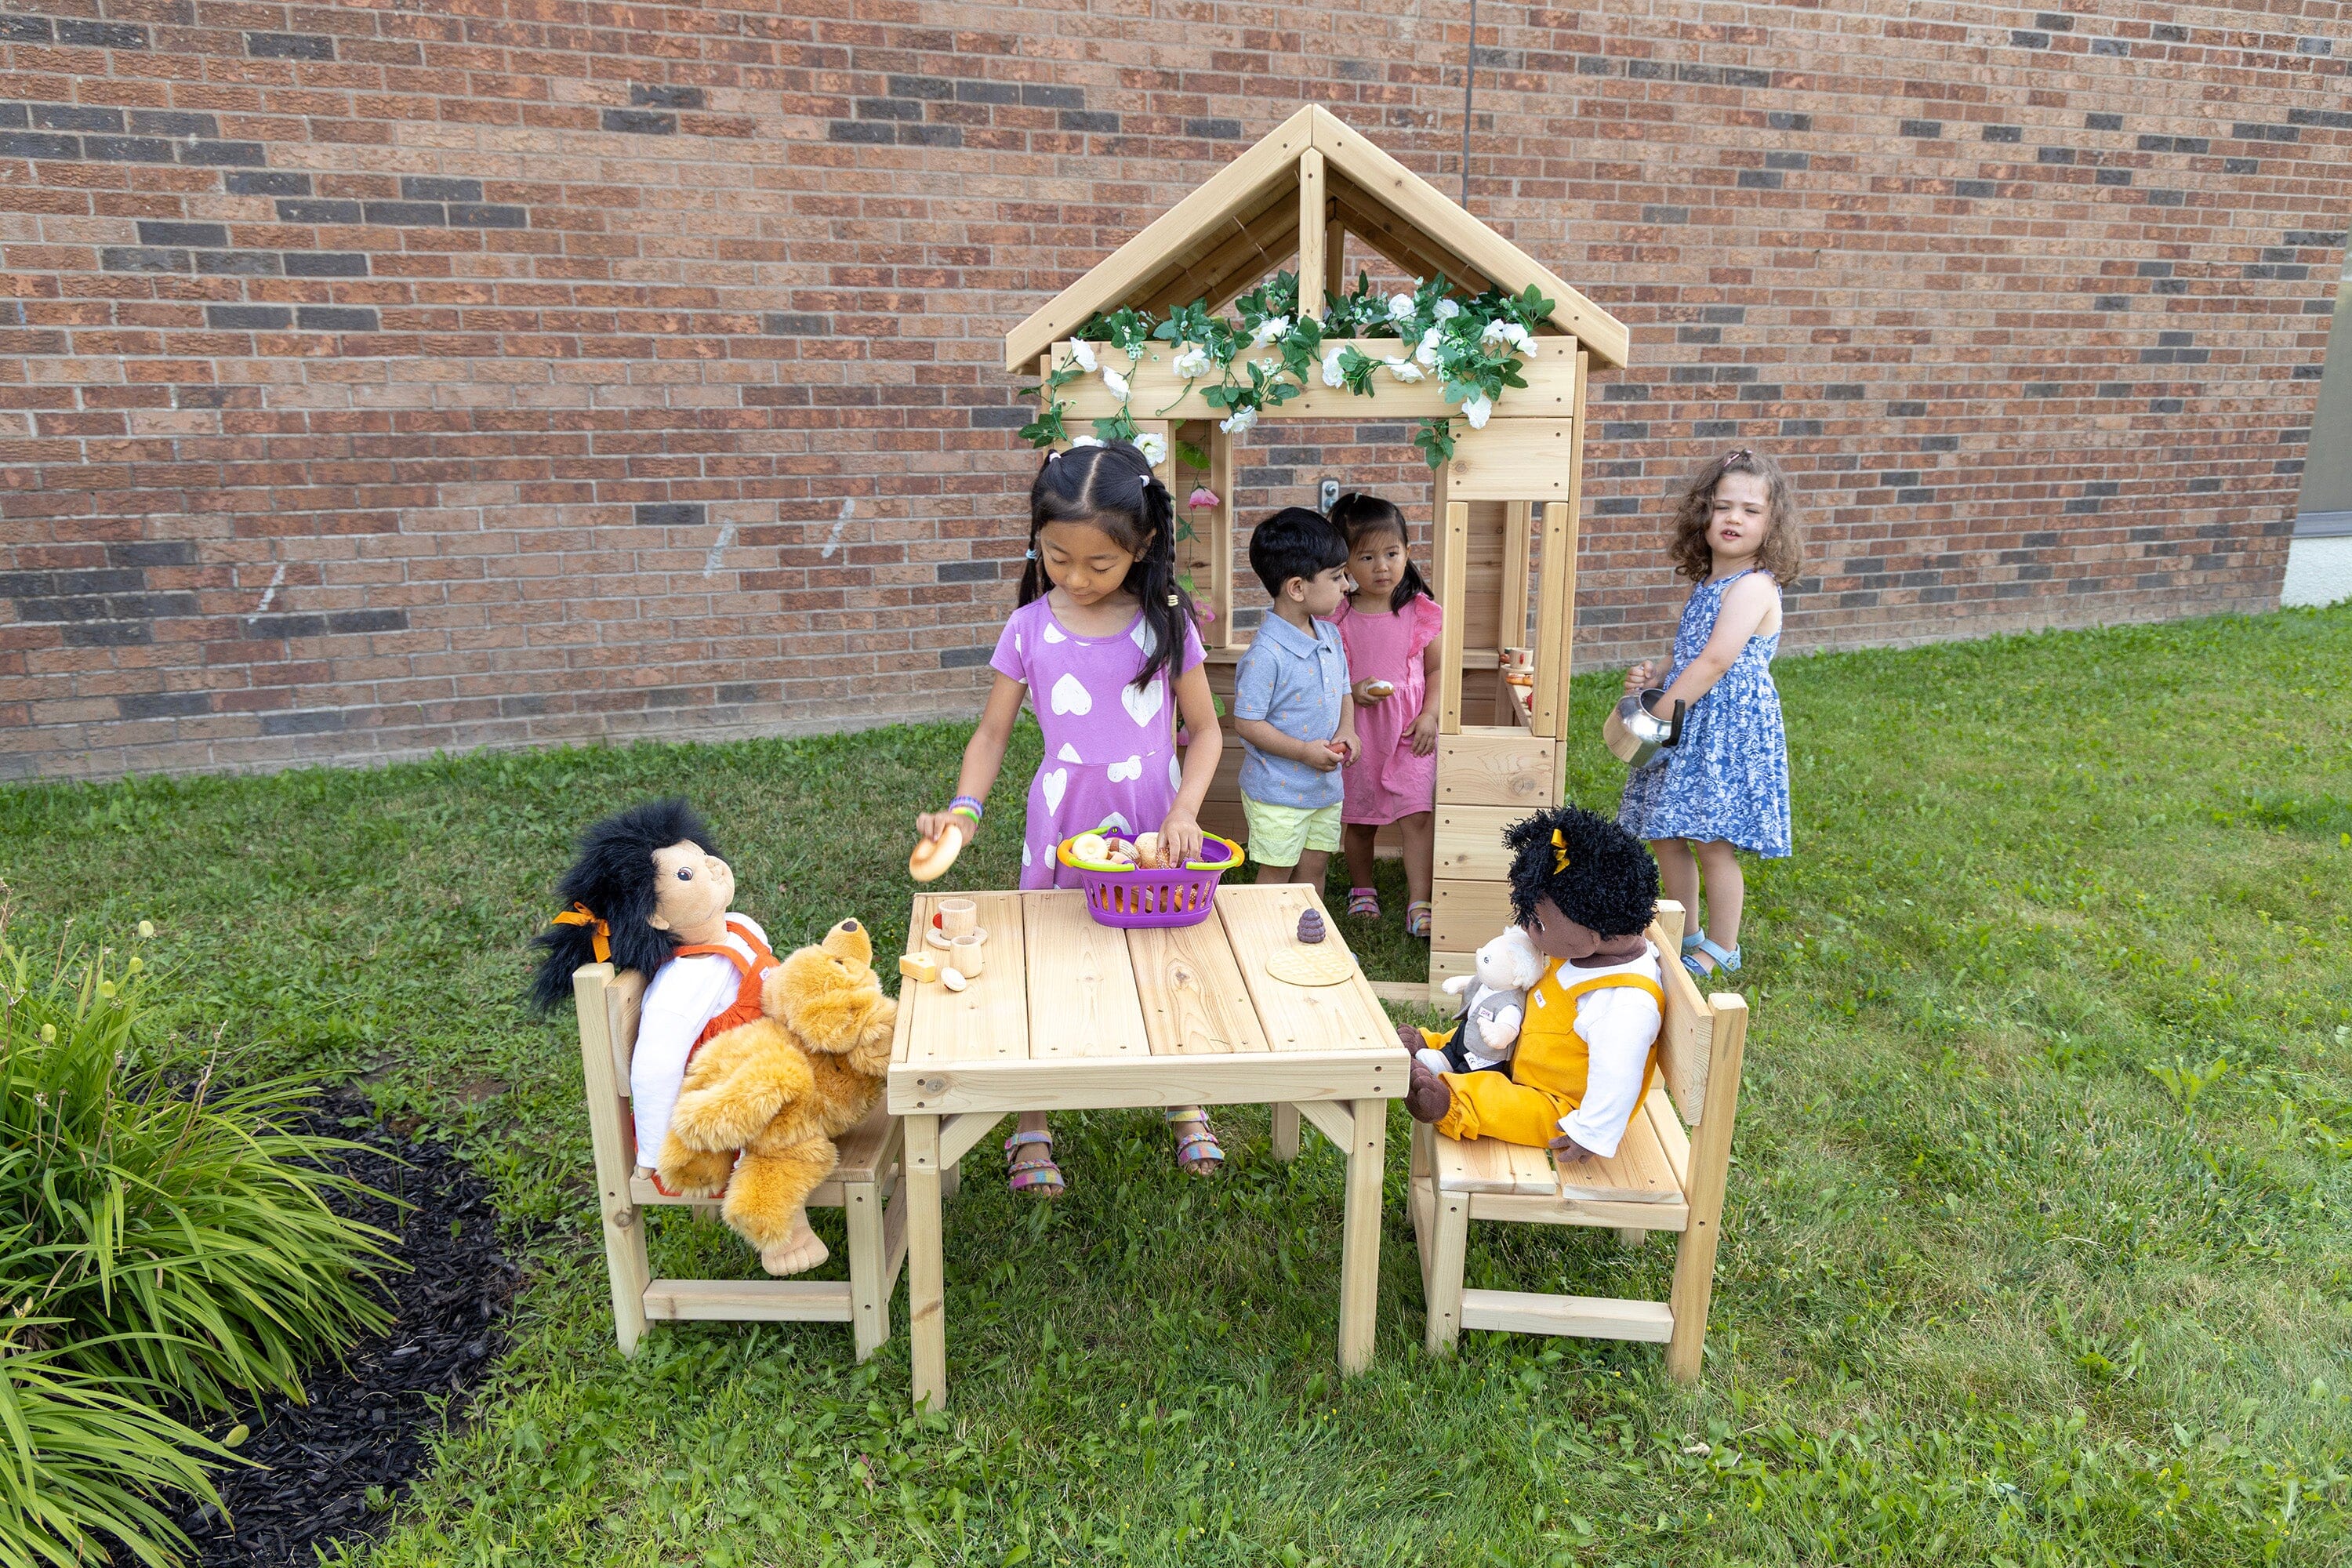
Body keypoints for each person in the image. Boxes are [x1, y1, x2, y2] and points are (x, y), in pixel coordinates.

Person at [915, 440, 1226, 1195]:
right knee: (1046, 964)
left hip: (1153, 822)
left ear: (1143, 545)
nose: (1076, 578)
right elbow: (992, 734)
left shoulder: (1167, 625)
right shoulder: (1029, 628)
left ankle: (1181, 1101)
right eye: (1058, 558)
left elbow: (1207, 731)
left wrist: (1186, 810)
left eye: (1099, 564)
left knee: (1162, 962)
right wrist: (963, 810)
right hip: (1062, 821)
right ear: (1038, 541)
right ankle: (1032, 1123)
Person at [1616, 448, 1801, 979]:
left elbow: (1719, 658)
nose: (1734, 519)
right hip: (1689, 716)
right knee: (1666, 829)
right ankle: (1684, 932)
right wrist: (1655, 679)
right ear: (1704, 515)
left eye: (1750, 510)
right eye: (1723, 507)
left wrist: (1667, 706)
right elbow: (1692, 653)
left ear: (1772, 524)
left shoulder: (1754, 585)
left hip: (1724, 728)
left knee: (1712, 839)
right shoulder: (1708, 584)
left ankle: (1722, 946)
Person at [528, 798, 776, 1188]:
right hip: (740, 1102)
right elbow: (654, 1071)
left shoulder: (742, 927)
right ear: (656, 917)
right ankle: (784, 1233)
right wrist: (656, 1152)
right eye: (685, 874)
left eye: (702, 856)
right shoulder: (681, 986)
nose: (711, 868)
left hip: (775, 1059)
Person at [1400, 807, 1664, 1167]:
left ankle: (1451, 1100)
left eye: (1537, 922)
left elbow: (1618, 1078)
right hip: (1520, 1054)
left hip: (1556, 1100)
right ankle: (1435, 1048)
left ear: (1589, 936)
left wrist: (1590, 1132)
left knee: (1505, 1105)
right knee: (1484, 1024)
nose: (1528, 929)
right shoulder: (1591, 945)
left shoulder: (1623, 1006)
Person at [1326, 492, 1443, 938]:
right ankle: (1362, 889)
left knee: (1417, 814)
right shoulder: (1337, 617)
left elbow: (1435, 669)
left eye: (1392, 554)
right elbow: (1330, 674)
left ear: (1407, 554)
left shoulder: (1418, 611)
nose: (1382, 567)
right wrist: (1352, 692)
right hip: (1359, 729)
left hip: (1412, 729)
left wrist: (1431, 714)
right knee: (1359, 817)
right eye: (1367, 557)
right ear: (1345, 566)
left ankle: (1420, 900)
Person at [1232, 506, 1359, 887]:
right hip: (1277, 793)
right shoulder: (1265, 656)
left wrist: (1348, 729)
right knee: (1276, 874)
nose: (1347, 586)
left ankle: (1309, 943)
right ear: (1298, 588)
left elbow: (1344, 690)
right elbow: (1247, 723)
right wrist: (1304, 752)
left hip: (1324, 788)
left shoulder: (1330, 636)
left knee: (1314, 871)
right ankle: (1263, 944)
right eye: (1337, 577)